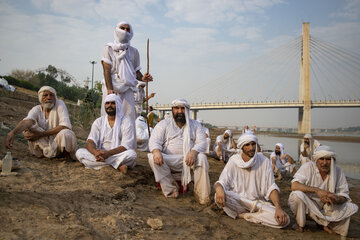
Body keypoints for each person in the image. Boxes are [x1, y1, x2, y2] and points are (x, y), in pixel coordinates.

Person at [214, 133, 290, 228]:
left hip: (257, 204)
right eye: (247, 145)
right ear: (241, 147)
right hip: (239, 201)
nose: (251, 148)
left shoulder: (264, 161)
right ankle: (255, 216)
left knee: (285, 220)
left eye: (253, 144)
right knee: (218, 195)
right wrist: (219, 189)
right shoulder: (234, 161)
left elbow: (271, 186)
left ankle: (244, 215)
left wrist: (278, 207)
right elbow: (221, 182)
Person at [147, 98, 210, 205]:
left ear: (187, 110)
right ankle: (171, 189)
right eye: (176, 108)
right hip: (168, 160)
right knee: (152, 157)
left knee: (202, 158)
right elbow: (154, 141)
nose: (179, 111)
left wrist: (193, 152)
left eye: (182, 108)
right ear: (172, 110)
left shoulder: (195, 125)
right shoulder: (163, 124)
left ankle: (202, 196)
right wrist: (156, 152)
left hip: (188, 160)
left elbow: (202, 143)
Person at [289, 145, 358, 236]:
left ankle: (323, 223)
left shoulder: (338, 171)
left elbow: (344, 195)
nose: (324, 163)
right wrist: (317, 191)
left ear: (333, 160)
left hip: (326, 208)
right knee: (296, 195)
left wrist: (335, 199)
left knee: (350, 207)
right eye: (321, 159)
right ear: (316, 160)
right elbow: (294, 185)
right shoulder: (308, 167)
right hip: (308, 207)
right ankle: (300, 225)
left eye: (328, 159)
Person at [5, 86, 77, 159]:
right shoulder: (36, 109)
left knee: (66, 133)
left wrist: (41, 134)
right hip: (44, 141)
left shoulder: (60, 104)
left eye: (51, 95)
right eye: (45, 95)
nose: (49, 98)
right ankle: (44, 152)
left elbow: (65, 125)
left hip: (58, 141)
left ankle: (63, 155)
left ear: (55, 98)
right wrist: (13, 133)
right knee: (29, 130)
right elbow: (27, 121)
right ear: (40, 98)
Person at [101, 21, 153, 120]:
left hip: (127, 89)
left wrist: (143, 77)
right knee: (109, 118)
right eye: (123, 28)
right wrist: (110, 90)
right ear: (117, 30)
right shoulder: (108, 48)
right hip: (111, 88)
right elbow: (106, 70)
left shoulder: (134, 51)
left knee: (127, 118)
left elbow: (136, 73)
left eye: (128, 29)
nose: (125, 31)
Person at [76, 94, 136, 174]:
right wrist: (95, 153)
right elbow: (90, 141)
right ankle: (116, 165)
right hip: (100, 154)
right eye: (107, 103)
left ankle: (98, 165)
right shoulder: (98, 122)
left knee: (132, 155)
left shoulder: (126, 122)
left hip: (117, 154)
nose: (109, 105)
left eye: (112, 103)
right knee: (79, 152)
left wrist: (107, 154)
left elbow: (125, 146)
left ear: (118, 105)